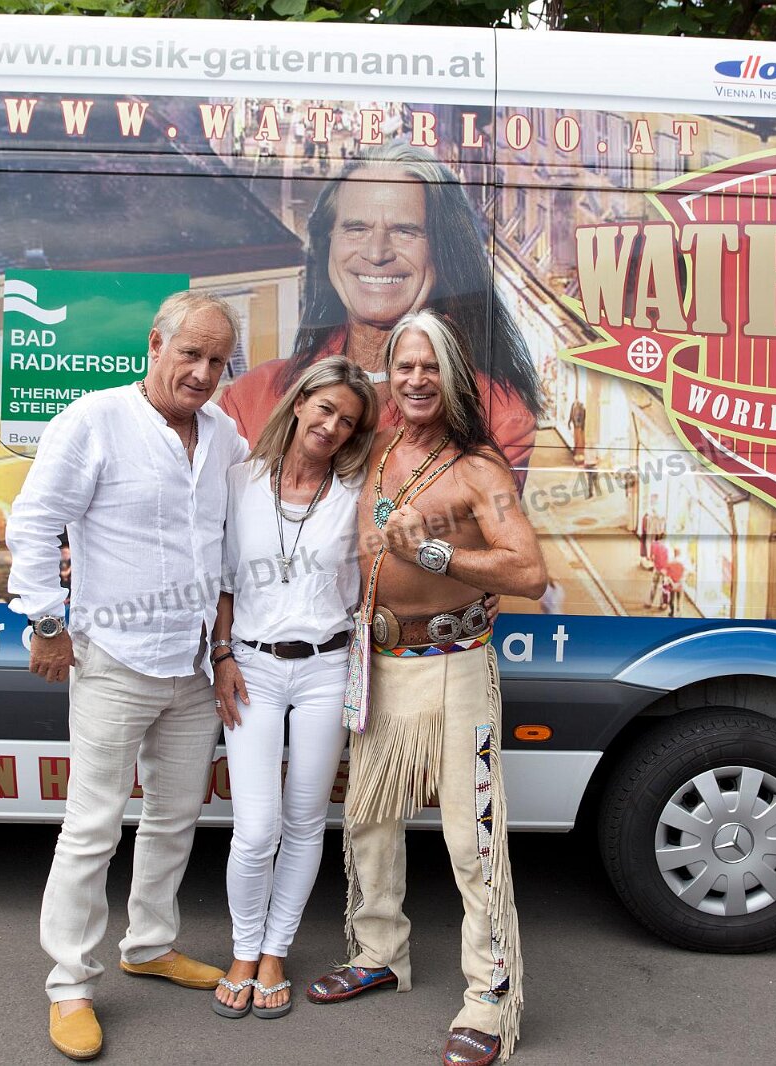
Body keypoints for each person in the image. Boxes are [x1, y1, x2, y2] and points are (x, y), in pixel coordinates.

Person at [5, 290, 249, 1062]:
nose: (203, 372)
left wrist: (222, 650)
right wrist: (47, 623)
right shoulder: (94, 419)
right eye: (191, 354)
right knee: (92, 828)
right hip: (113, 658)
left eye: (217, 360)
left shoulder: (224, 435)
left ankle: (149, 946)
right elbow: (33, 522)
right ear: (155, 343)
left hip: (192, 666)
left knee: (175, 819)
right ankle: (70, 984)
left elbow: (227, 549)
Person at [307, 311, 547, 1066]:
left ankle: (490, 999)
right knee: (369, 822)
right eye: (405, 366)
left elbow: (529, 573)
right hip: (376, 664)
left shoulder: (480, 469)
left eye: (430, 366)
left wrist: (437, 553)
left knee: (471, 841)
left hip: (455, 667)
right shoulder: (376, 448)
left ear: (454, 376)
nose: (416, 379)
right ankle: (379, 953)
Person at [207, 358, 379, 1021]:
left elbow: (384, 570)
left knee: (306, 821)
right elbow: (223, 578)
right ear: (300, 402)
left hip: (326, 669)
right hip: (251, 666)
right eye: (325, 408)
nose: (332, 426)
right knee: (256, 829)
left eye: (348, 421)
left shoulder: (356, 491)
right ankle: (243, 949)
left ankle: (274, 951)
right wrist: (222, 652)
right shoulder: (240, 480)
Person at [220, 143, 542, 474]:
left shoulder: (497, 417)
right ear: (328, 244)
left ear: (443, 251)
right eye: (356, 228)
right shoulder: (251, 398)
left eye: (405, 231)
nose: (376, 253)